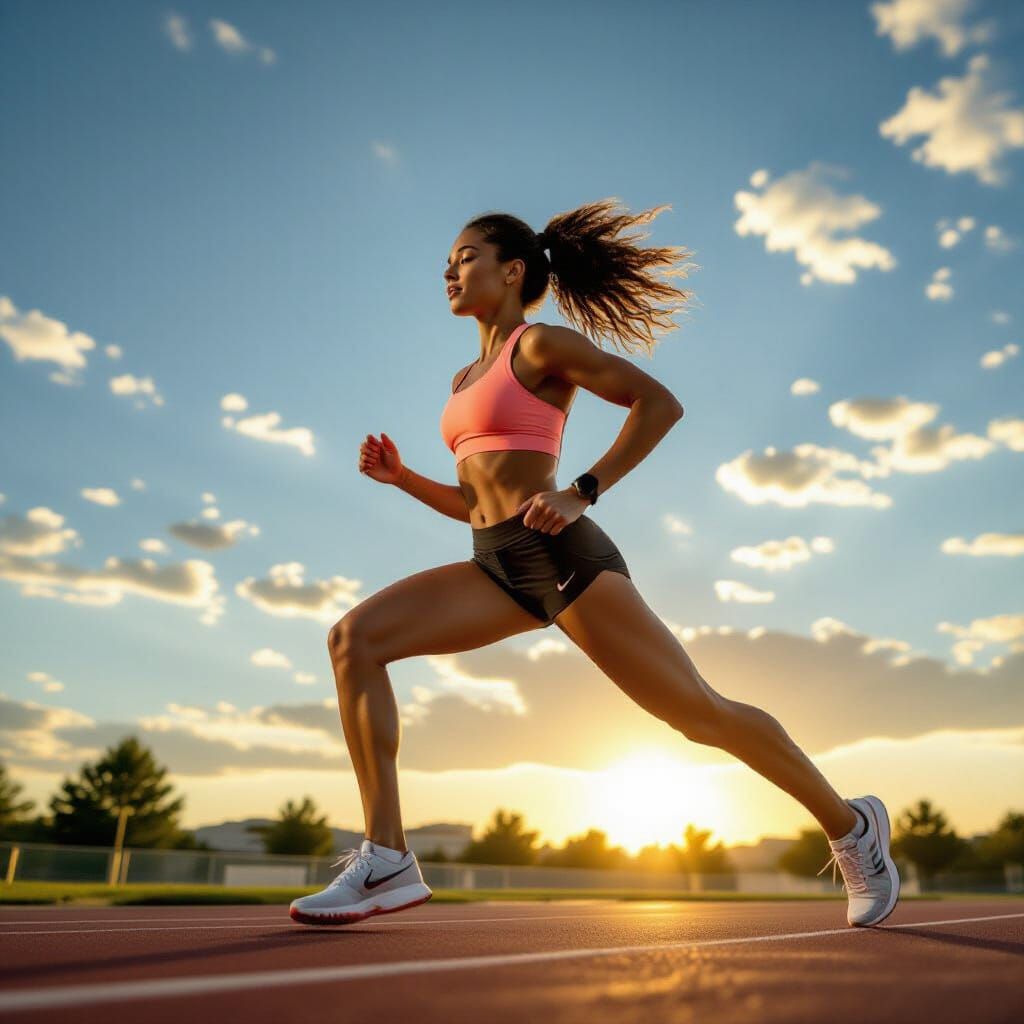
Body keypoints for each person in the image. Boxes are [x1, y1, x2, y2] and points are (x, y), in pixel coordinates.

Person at [289, 198, 900, 928]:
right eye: (445, 262)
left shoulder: (539, 347)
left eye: (465, 257)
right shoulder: (462, 381)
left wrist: (583, 492)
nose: (448, 271)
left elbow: (658, 403)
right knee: (354, 639)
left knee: (699, 714)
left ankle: (850, 825)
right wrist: (404, 480)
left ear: (512, 271)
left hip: (562, 555)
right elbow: (473, 500)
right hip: (495, 565)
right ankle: (386, 857)